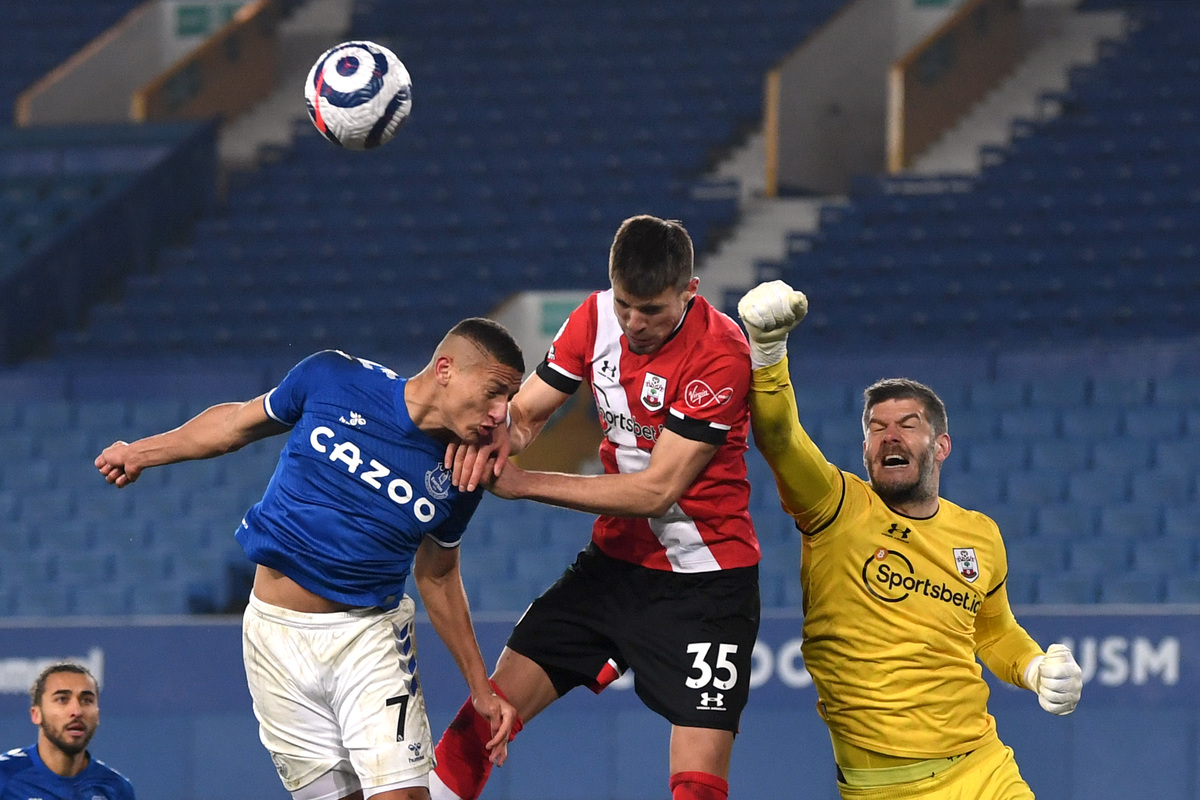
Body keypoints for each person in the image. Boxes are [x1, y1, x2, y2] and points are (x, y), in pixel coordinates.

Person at [94, 318, 525, 800]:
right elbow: (234, 425)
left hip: (369, 640)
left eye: (509, 399)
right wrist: (140, 452)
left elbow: (439, 576)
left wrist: (480, 687)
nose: (500, 413)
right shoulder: (333, 378)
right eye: (494, 393)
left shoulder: (462, 470)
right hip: (274, 640)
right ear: (445, 369)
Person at [430, 215, 760, 800]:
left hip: (708, 587)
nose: (634, 323)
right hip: (612, 569)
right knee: (483, 721)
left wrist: (525, 483)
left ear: (690, 291)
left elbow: (657, 491)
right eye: (625, 304)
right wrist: (495, 438)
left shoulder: (721, 352)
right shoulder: (594, 316)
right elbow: (527, 414)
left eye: (652, 310)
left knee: (697, 788)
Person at [736, 280, 1084, 799]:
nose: (890, 436)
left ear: (940, 446)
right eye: (876, 428)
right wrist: (768, 352)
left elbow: (992, 633)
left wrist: (1036, 668)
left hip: (985, 771)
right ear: (864, 449)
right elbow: (780, 439)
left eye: (906, 424)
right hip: (882, 788)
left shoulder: (980, 535)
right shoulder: (835, 508)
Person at [0, 662, 135, 800]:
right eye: (62, 699)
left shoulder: (116, 789)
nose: (77, 711)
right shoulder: (4, 776)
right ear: (36, 715)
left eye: (87, 700)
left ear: (97, 715)